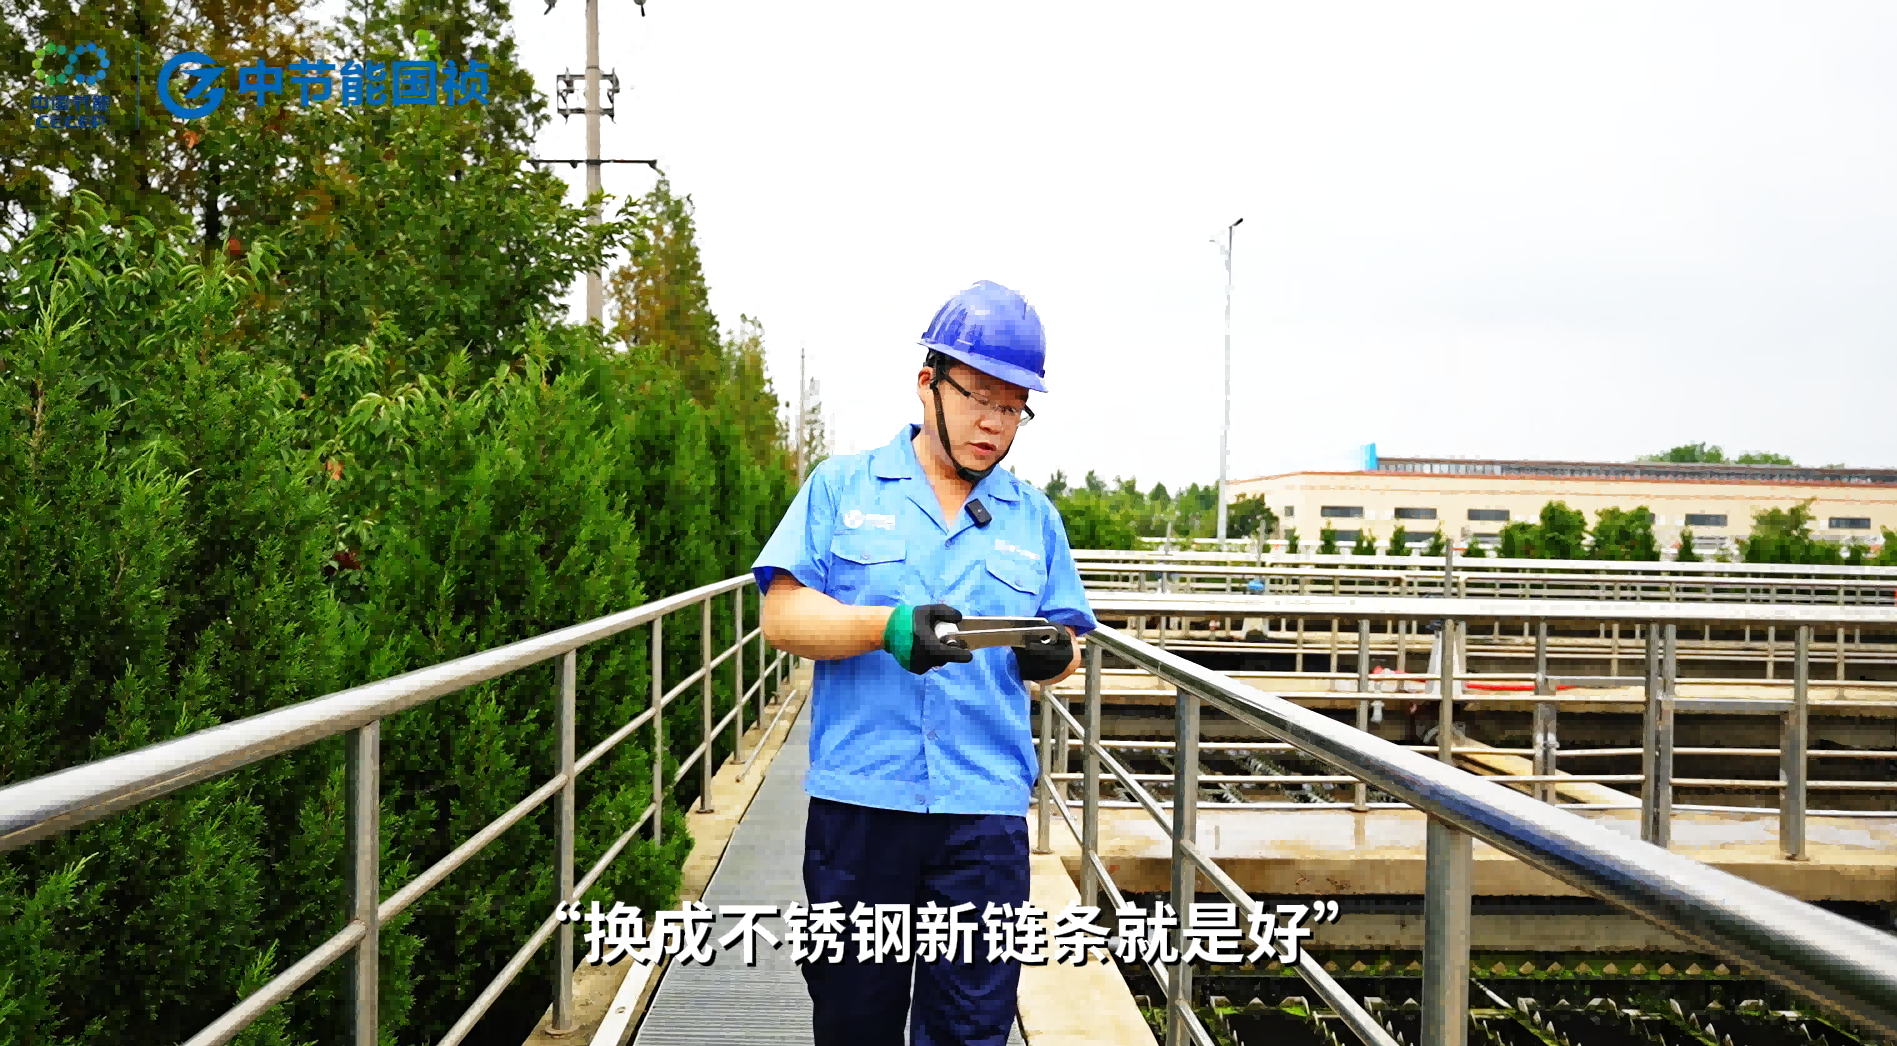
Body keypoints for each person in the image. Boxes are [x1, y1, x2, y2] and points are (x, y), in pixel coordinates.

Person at [752, 279, 1099, 1046]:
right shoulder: (841, 488)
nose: (993, 423)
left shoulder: (1033, 518)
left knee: (970, 1028)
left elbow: (1067, 646)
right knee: (853, 1019)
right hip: (862, 807)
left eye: (1013, 407)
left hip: (982, 818)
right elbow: (782, 616)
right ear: (927, 384)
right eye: (979, 397)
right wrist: (886, 627)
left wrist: (1053, 654)